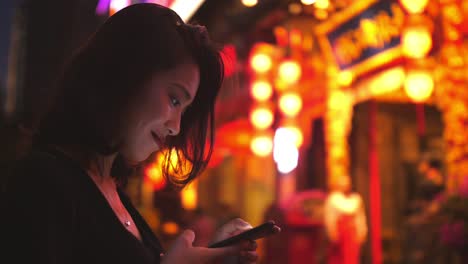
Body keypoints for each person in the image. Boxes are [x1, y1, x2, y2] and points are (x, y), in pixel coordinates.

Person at [2, 3, 260, 264]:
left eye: (184, 109)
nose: (176, 126)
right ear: (127, 75)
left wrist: (214, 256)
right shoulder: (42, 181)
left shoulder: (114, 193)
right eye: (174, 100)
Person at [323, 175, 367, 264]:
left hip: (352, 234)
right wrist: (332, 232)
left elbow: (360, 217)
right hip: (340, 233)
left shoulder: (356, 199)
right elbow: (330, 217)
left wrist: (362, 231)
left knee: (352, 258)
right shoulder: (333, 199)